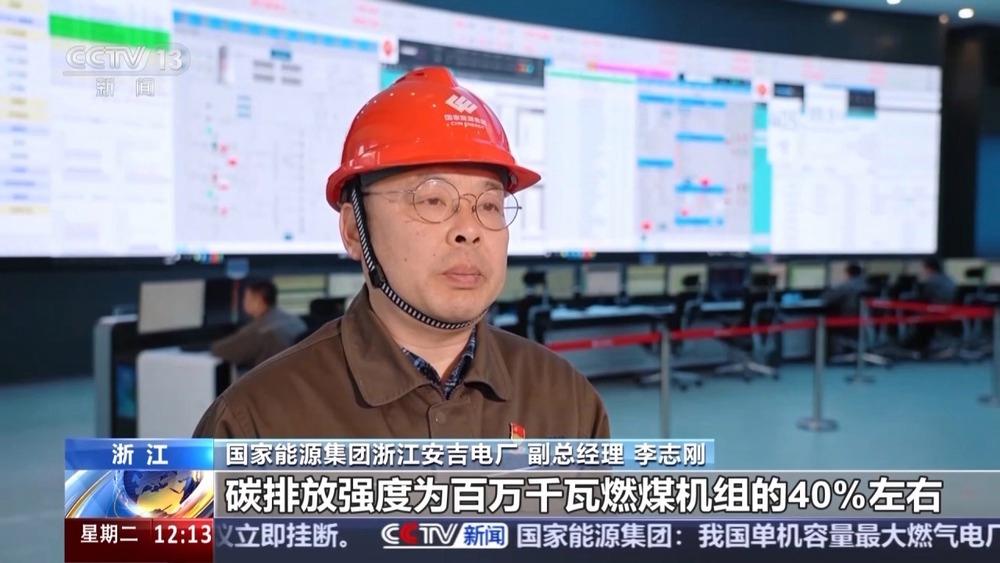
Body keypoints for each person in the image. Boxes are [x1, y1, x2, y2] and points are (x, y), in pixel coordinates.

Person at [194, 67, 610, 439]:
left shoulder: (569, 401)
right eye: (432, 200)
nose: (469, 230)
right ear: (353, 230)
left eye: (489, 206)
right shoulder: (250, 423)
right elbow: (170, 506)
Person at [210, 279, 307, 370]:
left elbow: (219, 350)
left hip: (270, 376)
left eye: (246, 298)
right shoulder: (294, 320)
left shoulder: (260, 331)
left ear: (258, 300)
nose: (244, 302)